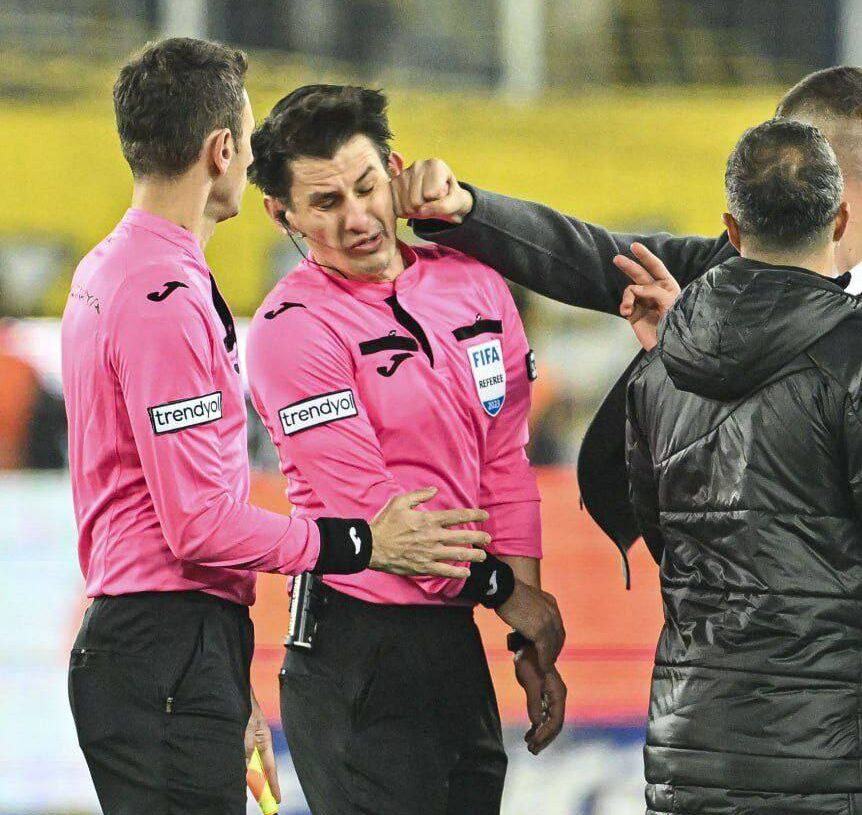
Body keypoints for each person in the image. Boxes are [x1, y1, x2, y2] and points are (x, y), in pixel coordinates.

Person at [62, 40, 492, 815]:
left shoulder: (110, 270)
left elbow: (153, 512)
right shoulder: (164, 298)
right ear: (221, 151)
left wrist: (228, 687)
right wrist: (360, 542)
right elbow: (197, 525)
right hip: (163, 653)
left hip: (167, 651)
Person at [244, 84, 566, 815]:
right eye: (326, 204)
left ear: (395, 171)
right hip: (356, 654)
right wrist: (509, 596)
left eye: (366, 188)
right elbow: (388, 525)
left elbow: (504, 467)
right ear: (281, 214)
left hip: (456, 641)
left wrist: (528, 640)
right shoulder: (291, 330)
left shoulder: (476, 285)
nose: (357, 219)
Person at [395, 65, 862, 567]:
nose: (768, 164)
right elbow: (588, 256)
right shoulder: (726, 268)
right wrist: (465, 209)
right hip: (709, 600)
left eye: (785, 150)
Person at [623, 118, 862, 813]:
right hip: (831, 756)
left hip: (691, 751)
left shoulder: (659, 368)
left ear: (731, 229)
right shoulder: (853, 358)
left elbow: (664, 535)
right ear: (841, 219)